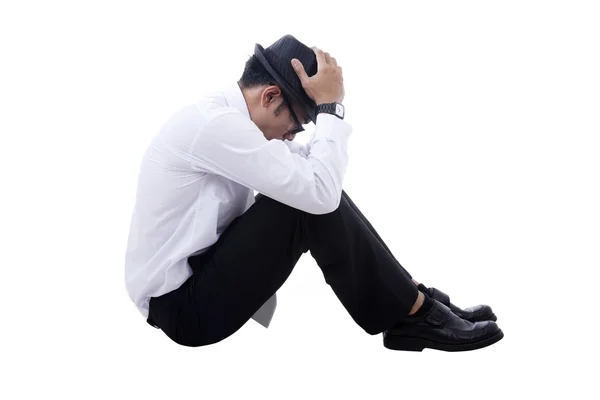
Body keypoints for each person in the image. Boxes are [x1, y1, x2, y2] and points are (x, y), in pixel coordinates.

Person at [124, 34, 504, 352]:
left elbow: (317, 176)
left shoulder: (233, 119)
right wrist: (331, 109)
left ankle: (411, 301)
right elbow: (318, 193)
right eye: (296, 124)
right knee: (305, 203)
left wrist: (327, 112)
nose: (293, 135)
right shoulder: (216, 127)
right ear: (270, 97)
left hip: (200, 282)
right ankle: (413, 311)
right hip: (185, 309)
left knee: (313, 191)